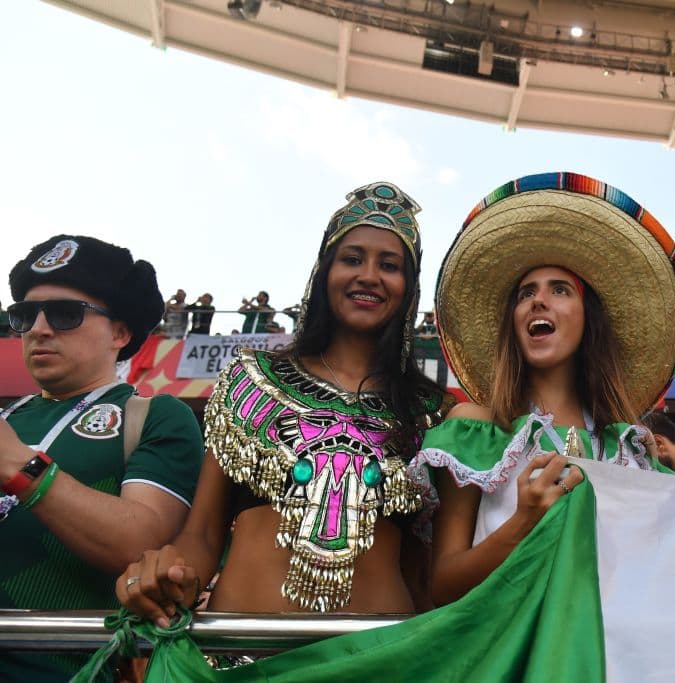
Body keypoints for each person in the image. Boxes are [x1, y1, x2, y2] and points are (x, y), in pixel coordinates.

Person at [116, 182, 449, 639]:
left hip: (379, 659)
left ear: (408, 288)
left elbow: (422, 565)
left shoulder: (430, 412)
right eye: (352, 259)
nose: (369, 275)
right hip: (242, 655)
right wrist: (169, 574)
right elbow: (205, 534)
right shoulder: (251, 379)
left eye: (389, 265)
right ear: (323, 272)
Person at [412, 173, 675, 606]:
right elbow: (441, 587)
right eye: (526, 293)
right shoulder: (474, 429)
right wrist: (521, 525)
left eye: (560, 290)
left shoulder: (630, 447)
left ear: (588, 319)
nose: (538, 301)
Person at [0, 235, 204, 681]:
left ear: (120, 332)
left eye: (65, 314)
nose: (38, 328)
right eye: (24, 315)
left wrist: (21, 468)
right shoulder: (6, 416)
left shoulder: (154, 415)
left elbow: (140, 541)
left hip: (58, 669)